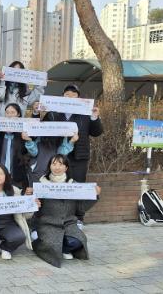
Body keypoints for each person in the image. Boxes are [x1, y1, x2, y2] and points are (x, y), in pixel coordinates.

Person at [41, 84, 103, 227]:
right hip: (58, 157)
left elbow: (96, 132)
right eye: (67, 94)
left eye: (74, 94)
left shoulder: (85, 113)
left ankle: (78, 218)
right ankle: (55, 217)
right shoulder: (54, 112)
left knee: (77, 186)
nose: (70, 97)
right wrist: (40, 112)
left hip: (79, 156)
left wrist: (95, 117)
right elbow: (43, 129)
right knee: (56, 185)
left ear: (78, 98)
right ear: (62, 97)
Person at [32, 154, 100, 268]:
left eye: (61, 164)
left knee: (79, 240)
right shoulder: (41, 184)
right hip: (47, 223)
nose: (57, 167)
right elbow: (35, 210)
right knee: (52, 243)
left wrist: (95, 195)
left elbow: (81, 208)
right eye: (54, 164)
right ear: (49, 166)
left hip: (69, 223)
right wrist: (32, 201)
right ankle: (39, 243)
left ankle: (63, 248)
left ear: (66, 168)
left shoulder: (73, 185)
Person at [23, 112, 79, 183]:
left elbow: (61, 154)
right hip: (37, 170)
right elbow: (34, 153)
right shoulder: (39, 132)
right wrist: (29, 140)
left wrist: (72, 141)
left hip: (54, 171)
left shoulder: (62, 135)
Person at [0, 103, 32, 190]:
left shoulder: (23, 133)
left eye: (12, 112)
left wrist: (28, 140)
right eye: (7, 112)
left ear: (19, 114)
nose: (9, 115)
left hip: (17, 178)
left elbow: (31, 153)